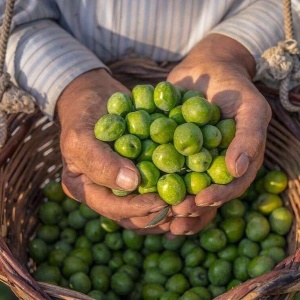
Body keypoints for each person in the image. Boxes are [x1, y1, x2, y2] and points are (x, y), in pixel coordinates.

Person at [1, 0, 298, 237]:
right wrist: (72, 84)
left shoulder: (182, 139)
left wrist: (227, 54)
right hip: (63, 60)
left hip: (242, 64)